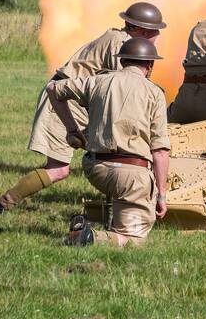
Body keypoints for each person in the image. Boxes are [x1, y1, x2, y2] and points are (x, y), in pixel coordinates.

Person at [0, 1, 166, 213]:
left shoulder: (119, 38)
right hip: (64, 101)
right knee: (59, 169)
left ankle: (115, 207)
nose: (158, 35)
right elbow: (125, 87)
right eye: (156, 31)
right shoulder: (120, 43)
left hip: (73, 99)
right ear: (142, 30)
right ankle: (3, 204)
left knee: (107, 156)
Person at [52, 36, 171, 247]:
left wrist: (73, 130)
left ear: (122, 61)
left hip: (95, 168)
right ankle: (89, 237)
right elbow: (160, 151)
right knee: (135, 242)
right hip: (132, 175)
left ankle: (97, 230)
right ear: (150, 65)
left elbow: (53, 89)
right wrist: (161, 195)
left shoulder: (97, 81)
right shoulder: (154, 93)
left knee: (120, 201)